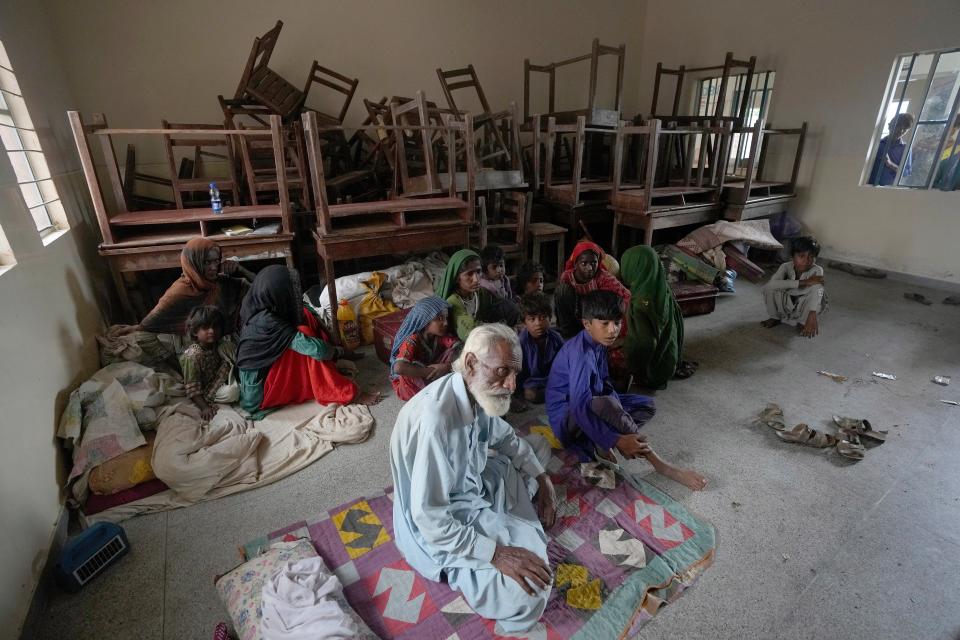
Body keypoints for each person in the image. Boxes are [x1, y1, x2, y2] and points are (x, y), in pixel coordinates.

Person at [390, 324, 557, 634]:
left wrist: (544, 481)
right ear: (470, 364)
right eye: (503, 372)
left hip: (476, 484)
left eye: (515, 374)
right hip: (448, 520)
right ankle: (507, 536)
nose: (510, 385)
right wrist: (496, 553)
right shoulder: (436, 421)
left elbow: (505, 437)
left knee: (537, 448)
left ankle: (520, 512)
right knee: (528, 590)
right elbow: (430, 518)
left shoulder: (474, 391)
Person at [546, 291, 707, 491]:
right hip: (567, 418)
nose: (612, 330)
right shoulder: (580, 354)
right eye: (604, 324)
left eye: (617, 322)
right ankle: (661, 465)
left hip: (594, 401)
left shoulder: (599, 343)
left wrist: (618, 416)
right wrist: (617, 438)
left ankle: (602, 441)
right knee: (607, 407)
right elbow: (579, 408)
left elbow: (605, 383)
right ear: (587, 324)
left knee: (646, 406)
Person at [237, 265, 379, 416]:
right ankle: (345, 393)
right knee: (309, 340)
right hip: (258, 394)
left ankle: (330, 364)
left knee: (306, 315)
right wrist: (337, 351)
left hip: (263, 373)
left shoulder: (258, 303)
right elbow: (318, 350)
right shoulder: (268, 321)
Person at [619, 245, 697, 389]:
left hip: (654, 371)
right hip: (669, 358)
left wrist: (631, 368)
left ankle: (644, 375)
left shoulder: (639, 304)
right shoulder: (662, 287)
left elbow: (645, 343)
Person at [436, 249, 520, 341]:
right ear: (457, 278)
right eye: (469, 274)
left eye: (478, 272)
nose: (476, 279)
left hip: (484, 330)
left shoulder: (481, 292)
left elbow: (503, 306)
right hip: (468, 340)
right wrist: (505, 331)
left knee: (508, 307)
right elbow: (469, 332)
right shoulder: (453, 301)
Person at [389, 296, 461, 401]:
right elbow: (398, 368)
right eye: (440, 318)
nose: (446, 323)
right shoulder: (412, 339)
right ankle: (427, 398)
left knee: (455, 351)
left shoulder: (440, 337)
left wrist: (447, 367)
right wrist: (430, 371)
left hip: (430, 377)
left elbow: (460, 347)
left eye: (446, 318)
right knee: (410, 366)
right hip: (411, 385)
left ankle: (436, 389)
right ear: (425, 321)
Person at [554, 241, 631, 339]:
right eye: (584, 263)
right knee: (562, 291)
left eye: (594, 262)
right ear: (576, 264)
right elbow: (560, 305)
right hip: (574, 317)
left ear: (598, 262)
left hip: (595, 319)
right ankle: (567, 334)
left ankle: (593, 334)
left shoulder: (603, 277)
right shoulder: (567, 277)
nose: (590, 268)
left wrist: (622, 329)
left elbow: (626, 296)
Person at [761, 236, 827, 339]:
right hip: (788, 300)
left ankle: (802, 321)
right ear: (792, 256)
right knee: (768, 288)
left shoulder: (817, 270)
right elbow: (772, 285)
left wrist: (812, 312)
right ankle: (775, 317)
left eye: (811, 257)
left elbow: (818, 290)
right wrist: (803, 282)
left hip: (805, 302)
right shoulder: (785, 267)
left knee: (817, 291)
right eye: (801, 256)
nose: (806, 261)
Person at [180, 305, 238, 421]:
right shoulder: (193, 356)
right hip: (209, 389)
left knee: (228, 346)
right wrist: (204, 407)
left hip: (221, 376)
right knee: (232, 392)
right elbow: (193, 388)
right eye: (206, 328)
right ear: (196, 331)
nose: (212, 331)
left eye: (215, 327)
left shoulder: (219, 344)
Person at [517, 293, 564, 405]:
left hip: (553, 377)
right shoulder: (521, 342)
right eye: (532, 319)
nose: (538, 323)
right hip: (533, 382)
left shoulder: (556, 337)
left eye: (543, 317)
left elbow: (565, 361)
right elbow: (518, 373)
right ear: (524, 323)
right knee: (531, 395)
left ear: (550, 318)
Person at [868, 113, 914, 186]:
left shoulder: (906, 148)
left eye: (905, 129)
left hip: (889, 191)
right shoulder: (876, 144)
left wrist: (890, 164)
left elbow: (906, 173)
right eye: (899, 126)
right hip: (867, 188)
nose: (901, 131)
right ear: (890, 125)